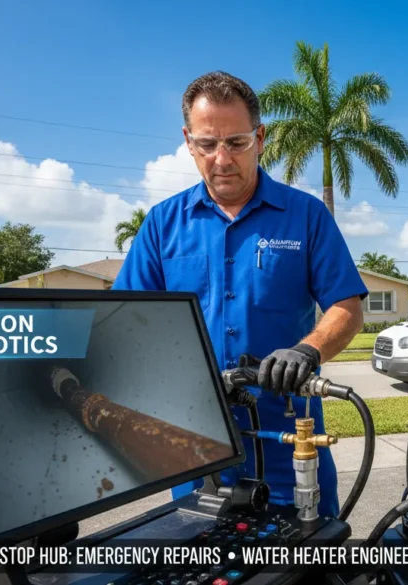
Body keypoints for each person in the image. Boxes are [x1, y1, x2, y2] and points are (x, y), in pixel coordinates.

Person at [112, 71, 367, 518]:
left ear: (261, 137)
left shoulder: (306, 215)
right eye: (208, 145)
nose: (222, 158)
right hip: (195, 453)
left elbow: (347, 306)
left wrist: (308, 351)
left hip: (293, 448)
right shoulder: (162, 224)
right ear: (189, 143)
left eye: (236, 142)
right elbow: (125, 323)